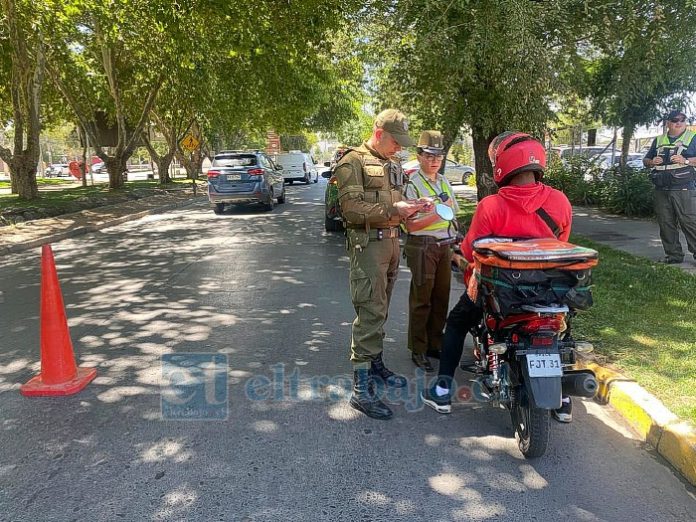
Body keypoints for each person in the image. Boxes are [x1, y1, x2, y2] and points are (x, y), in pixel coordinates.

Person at [421, 131, 576, 423]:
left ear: (502, 165)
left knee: (455, 323)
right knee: (558, 331)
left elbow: (470, 250)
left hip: (499, 292)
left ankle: (442, 391)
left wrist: (461, 256)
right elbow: (562, 246)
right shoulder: (560, 202)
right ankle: (563, 399)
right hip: (546, 291)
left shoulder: (491, 206)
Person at [335, 109, 431, 420]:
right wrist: (394, 207)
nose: (400, 148)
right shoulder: (353, 161)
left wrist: (412, 208)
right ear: (379, 134)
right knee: (370, 310)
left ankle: (375, 364)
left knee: (383, 307)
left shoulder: (392, 163)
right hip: (368, 245)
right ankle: (360, 390)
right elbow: (350, 210)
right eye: (395, 142)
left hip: (391, 241)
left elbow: (396, 201)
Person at [403, 130, 460, 373]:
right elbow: (410, 224)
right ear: (419, 155)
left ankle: (434, 344)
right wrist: (438, 212)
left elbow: (453, 213)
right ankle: (418, 348)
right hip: (423, 245)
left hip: (444, 246)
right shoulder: (413, 184)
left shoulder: (444, 181)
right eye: (429, 155)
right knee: (422, 300)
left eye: (439, 156)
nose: (434, 160)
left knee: (441, 298)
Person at [643, 110, 696, 264]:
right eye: (674, 120)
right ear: (668, 123)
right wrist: (652, 161)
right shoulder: (659, 140)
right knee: (666, 223)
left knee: (690, 222)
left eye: (682, 120)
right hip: (661, 189)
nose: (678, 122)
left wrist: (685, 160)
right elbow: (646, 160)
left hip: (684, 188)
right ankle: (673, 256)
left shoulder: (692, 137)